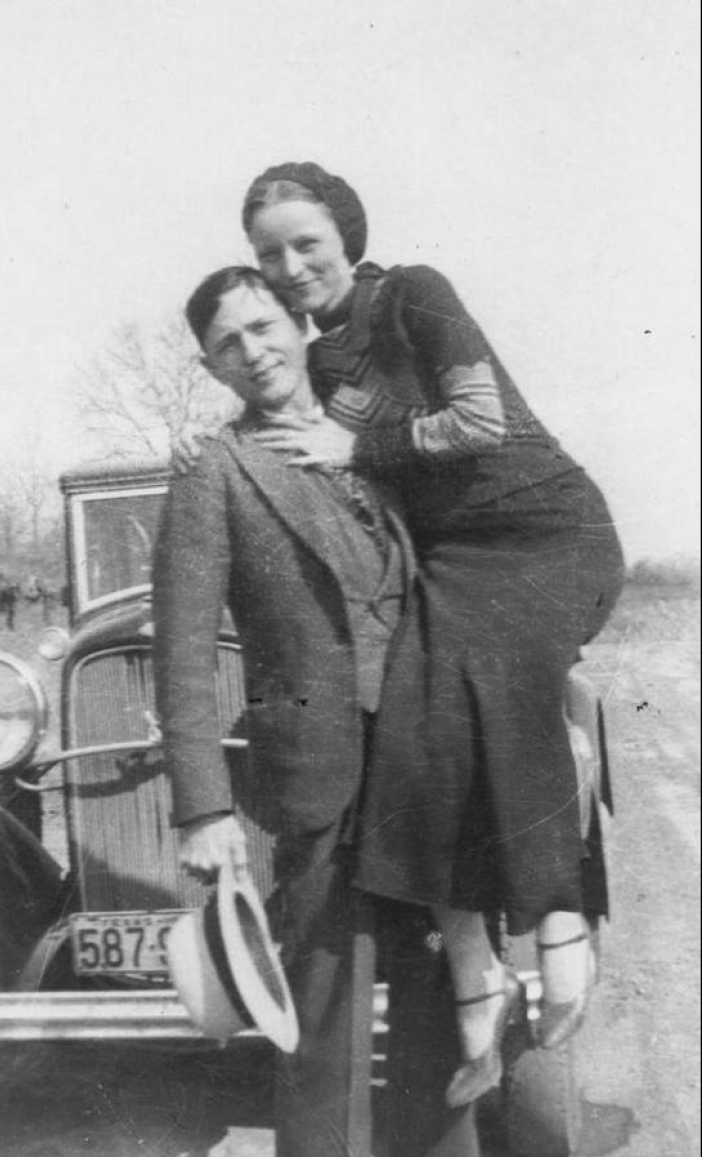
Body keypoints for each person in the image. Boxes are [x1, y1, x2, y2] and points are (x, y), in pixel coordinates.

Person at [232, 161, 626, 1106]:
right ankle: (473, 971)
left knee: (496, 677)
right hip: (447, 562)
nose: (289, 267)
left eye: (305, 244)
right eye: (268, 254)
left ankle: (560, 931)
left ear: (345, 237)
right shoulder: (318, 359)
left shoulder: (416, 293)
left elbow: (480, 420)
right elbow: (281, 431)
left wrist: (358, 445)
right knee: (409, 732)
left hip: (545, 532)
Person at [153, 265, 483, 1157]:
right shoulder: (212, 471)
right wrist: (205, 804)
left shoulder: (375, 435)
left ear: (300, 326)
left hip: (420, 761)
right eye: (228, 343)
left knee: (437, 1002)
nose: (252, 351)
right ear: (211, 366)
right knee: (324, 1015)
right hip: (319, 775)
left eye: (263, 327)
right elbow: (181, 646)